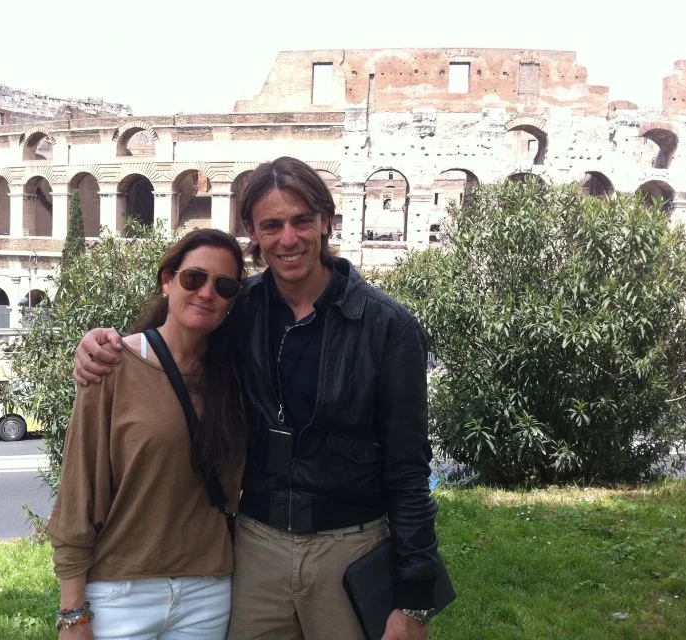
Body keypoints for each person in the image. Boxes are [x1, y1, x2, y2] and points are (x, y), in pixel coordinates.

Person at [74, 157, 443, 640]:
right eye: (272, 225)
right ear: (252, 231)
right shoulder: (236, 307)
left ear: (326, 221)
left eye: (301, 221)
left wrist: (414, 597)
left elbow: (408, 467)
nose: (288, 239)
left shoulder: (387, 326)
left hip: (349, 545)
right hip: (257, 545)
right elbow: (171, 351)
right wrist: (102, 344)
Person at [50, 228, 247, 639]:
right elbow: (78, 491)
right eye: (194, 278)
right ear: (168, 280)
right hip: (121, 593)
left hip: (207, 592)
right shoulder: (112, 365)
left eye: (224, 286)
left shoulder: (237, 376)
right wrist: (72, 611)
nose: (207, 293)